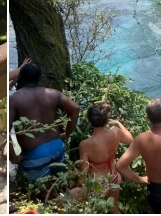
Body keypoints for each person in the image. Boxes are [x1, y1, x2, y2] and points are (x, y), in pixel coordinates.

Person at [8, 62, 80, 193]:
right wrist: (67, 133)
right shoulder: (53, 93)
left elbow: (4, 131)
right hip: (57, 148)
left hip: (35, 155)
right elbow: (75, 108)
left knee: (44, 196)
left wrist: (12, 157)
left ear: (20, 77)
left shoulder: (14, 99)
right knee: (57, 185)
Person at [71, 103, 133, 213]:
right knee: (114, 209)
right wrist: (118, 123)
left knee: (65, 201)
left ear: (90, 120)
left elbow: (84, 170)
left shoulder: (85, 144)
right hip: (114, 177)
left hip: (97, 184)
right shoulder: (116, 132)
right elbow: (130, 139)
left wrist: (78, 184)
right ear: (106, 120)